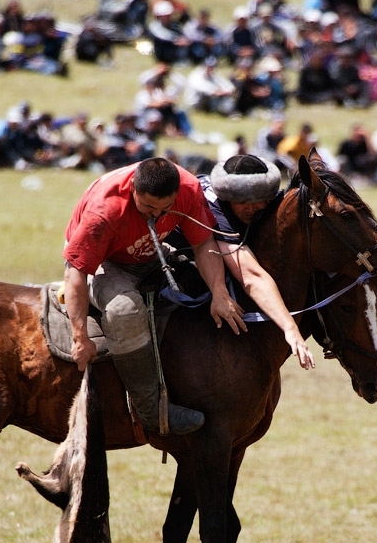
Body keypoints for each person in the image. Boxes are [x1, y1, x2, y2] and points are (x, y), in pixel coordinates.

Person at [61, 157, 246, 435]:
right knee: (124, 311)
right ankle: (151, 412)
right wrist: (80, 337)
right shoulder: (105, 210)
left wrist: (219, 293)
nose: (156, 216)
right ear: (133, 187)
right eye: (148, 207)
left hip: (152, 252)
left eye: (165, 208)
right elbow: (76, 271)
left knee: (199, 287)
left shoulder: (188, 188)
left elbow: (203, 242)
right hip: (105, 260)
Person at [199, 154, 314, 370]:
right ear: (227, 196)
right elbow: (251, 276)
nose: (252, 208)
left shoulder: (269, 200)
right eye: (243, 201)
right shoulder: (215, 208)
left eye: (258, 200)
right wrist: (290, 327)